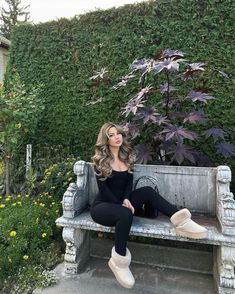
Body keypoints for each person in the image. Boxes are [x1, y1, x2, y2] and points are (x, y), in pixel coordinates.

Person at [90, 122, 208, 289]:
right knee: (125, 214)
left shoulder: (126, 158)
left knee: (146, 190)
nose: (117, 137)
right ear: (105, 139)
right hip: (103, 206)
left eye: (118, 133)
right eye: (111, 135)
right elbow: (103, 189)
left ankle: (181, 221)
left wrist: (126, 199)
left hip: (123, 202)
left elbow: (127, 186)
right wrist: (121, 204)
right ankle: (119, 262)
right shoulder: (100, 161)